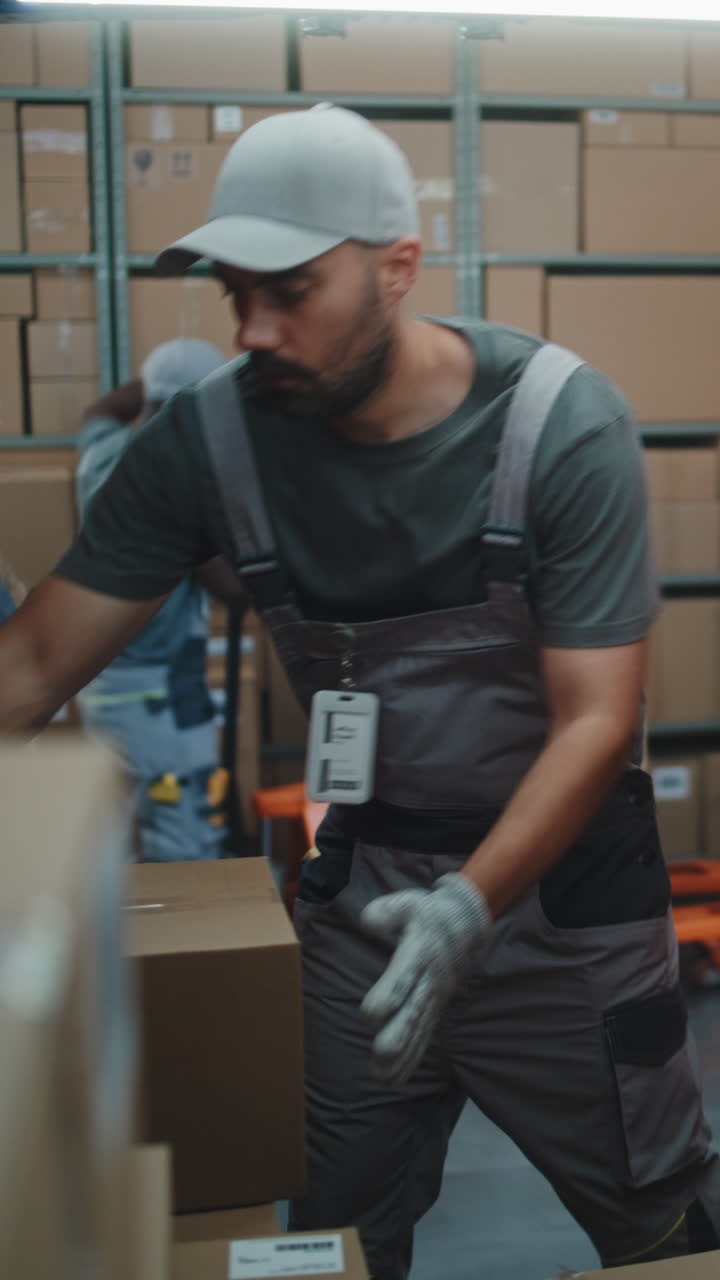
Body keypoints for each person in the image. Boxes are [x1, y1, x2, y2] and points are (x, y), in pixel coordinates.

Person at [0, 105, 718, 1274]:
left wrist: (469, 906)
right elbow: (30, 664)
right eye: (237, 293)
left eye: (291, 290)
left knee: (660, 1217)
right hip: (364, 895)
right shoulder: (210, 441)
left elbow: (595, 721)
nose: (257, 328)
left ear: (397, 268)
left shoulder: (556, 427)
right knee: (330, 1226)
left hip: (567, 913)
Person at [75, 338, 233, 861]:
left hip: (109, 684)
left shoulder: (100, 449)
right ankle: (193, 940)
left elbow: (100, 409)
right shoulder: (165, 479)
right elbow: (231, 587)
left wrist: (157, 379)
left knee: (128, 836)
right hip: (156, 695)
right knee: (184, 837)